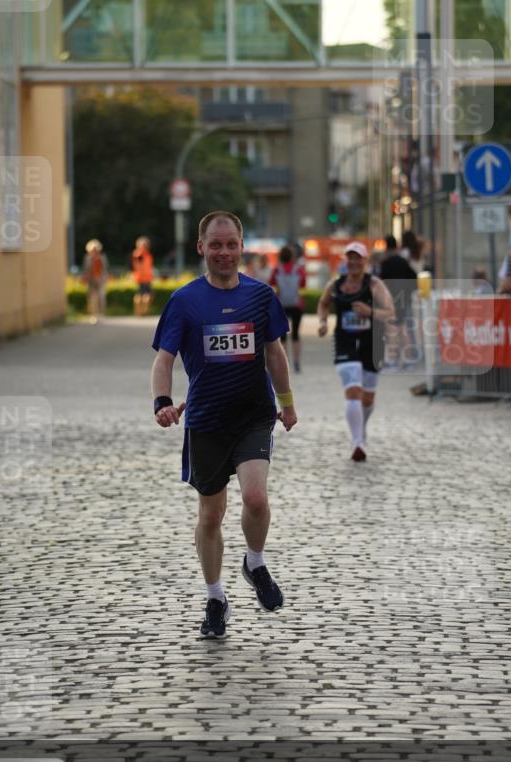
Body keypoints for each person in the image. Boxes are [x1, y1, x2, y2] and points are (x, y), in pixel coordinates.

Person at [151, 211, 297, 639]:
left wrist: (286, 403)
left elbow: (275, 354)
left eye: (231, 244)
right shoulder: (184, 301)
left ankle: (255, 562)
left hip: (253, 414)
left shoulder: (260, 296)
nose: (224, 252)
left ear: (241, 246)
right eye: (215, 245)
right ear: (202, 248)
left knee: (255, 497)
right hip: (206, 420)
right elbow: (164, 360)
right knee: (211, 514)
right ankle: (215, 597)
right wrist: (161, 401)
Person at [317, 242, 394, 462]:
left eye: (358, 258)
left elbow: (390, 311)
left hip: (371, 343)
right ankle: (357, 442)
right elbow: (323, 304)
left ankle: (360, 429)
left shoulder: (374, 284)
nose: (353, 262)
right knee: (353, 390)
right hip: (345, 342)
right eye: (350, 258)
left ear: (365, 261)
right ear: (345, 261)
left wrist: (370, 311)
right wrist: (323, 322)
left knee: (367, 398)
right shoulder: (336, 284)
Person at [379, 235, 417, 368]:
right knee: (402, 327)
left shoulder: (386, 263)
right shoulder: (403, 261)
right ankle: (409, 358)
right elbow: (413, 277)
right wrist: (407, 293)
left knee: (392, 329)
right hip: (403, 298)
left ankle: (394, 359)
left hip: (391, 299)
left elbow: (381, 283)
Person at [271, 245, 307, 374]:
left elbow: (271, 284)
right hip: (297, 305)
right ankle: (297, 363)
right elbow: (303, 284)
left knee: (283, 336)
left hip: (281, 305)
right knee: (296, 334)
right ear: (292, 257)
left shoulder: (276, 270)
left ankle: (285, 362)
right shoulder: (299, 269)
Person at [81, 239, 108, 323]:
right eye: (93, 249)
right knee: (92, 299)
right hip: (91, 281)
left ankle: (100, 314)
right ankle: (93, 315)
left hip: (100, 281)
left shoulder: (102, 258)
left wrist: (101, 278)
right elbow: (86, 270)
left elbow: (105, 269)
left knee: (101, 298)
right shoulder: (87, 258)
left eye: (96, 249)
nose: (94, 251)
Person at [132, 236, 154, 316]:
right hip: (144, 278)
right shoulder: (139, 255)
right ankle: (142, 312)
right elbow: (137, 266)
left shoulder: (141, 254)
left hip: (143, 277)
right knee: (145, 295)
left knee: (140, 294)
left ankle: (140, 312)